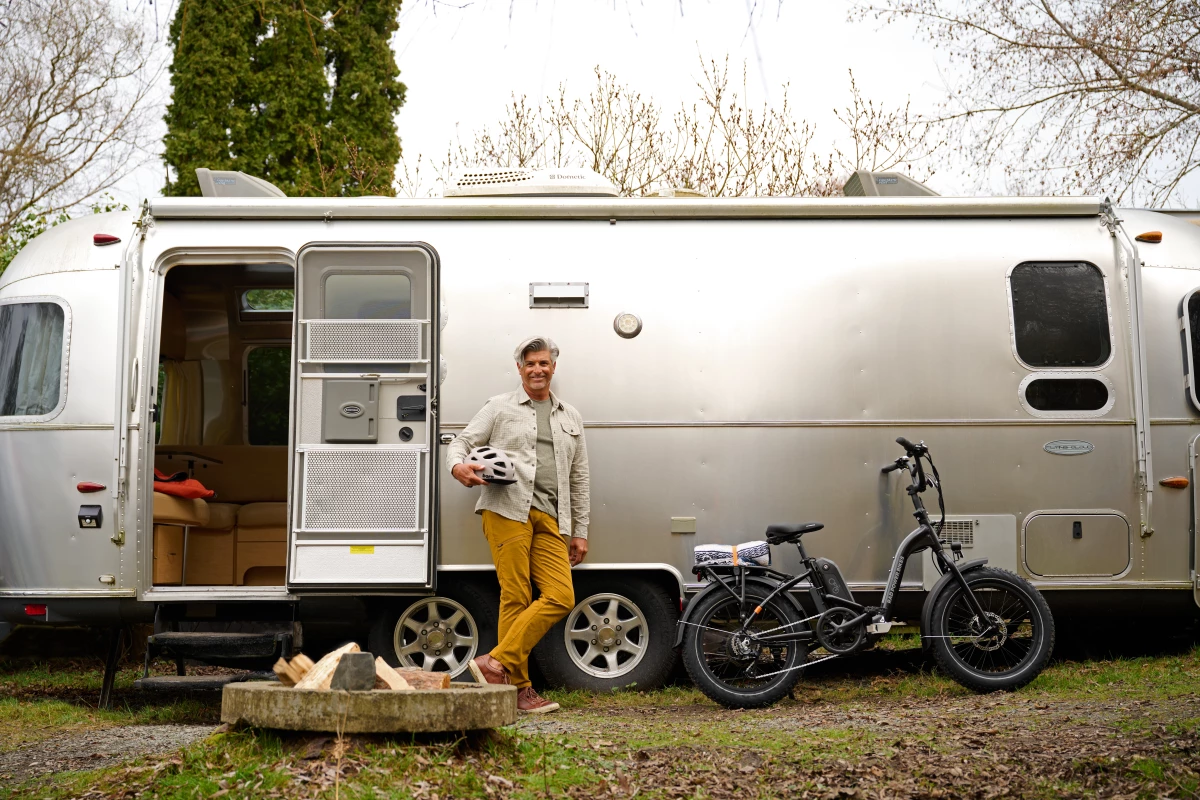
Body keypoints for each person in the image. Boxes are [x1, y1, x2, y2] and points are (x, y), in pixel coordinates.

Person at [447, 336, 590, 714]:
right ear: (520, 369)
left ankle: (494, 663)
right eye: (530, 364)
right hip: (506, 510)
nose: (538, 370)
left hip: (550, 518)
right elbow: (462, 442)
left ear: (553, 367)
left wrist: (579, 530)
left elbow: (579, 478)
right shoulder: (499, 407)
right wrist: (458, 466)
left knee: (561, 596)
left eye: (544, 363)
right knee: (516, 596)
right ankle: (520, 690)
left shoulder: (569, 416)